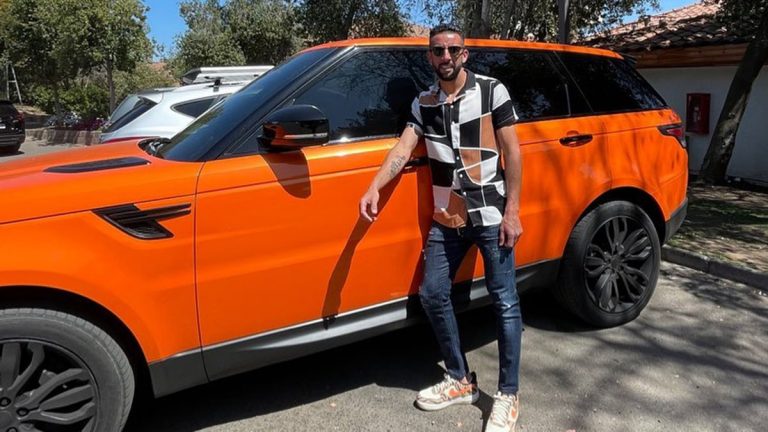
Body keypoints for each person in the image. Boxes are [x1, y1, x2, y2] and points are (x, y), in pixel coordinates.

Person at [359, 24, 524, 432]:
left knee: (505, 301)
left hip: (490, 212)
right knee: (433, 294)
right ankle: (460, 379)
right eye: (437, 50)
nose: (445, 56)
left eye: (452, 49)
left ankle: (508, 394)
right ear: (430, 56)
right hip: (447, 216)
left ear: (464, 53)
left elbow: (513, 151)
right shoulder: (424, 102)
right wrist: (374, 186)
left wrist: (513, 211)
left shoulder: (492, 91)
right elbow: (402, 149)